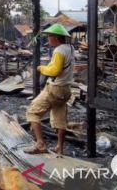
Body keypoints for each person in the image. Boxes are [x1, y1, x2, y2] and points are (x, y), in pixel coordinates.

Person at [24, 24, 74, 155]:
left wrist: (42, 68)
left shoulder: (58, 51)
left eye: (49, 36)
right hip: (66, 90)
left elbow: (55, 70)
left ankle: (40, 145)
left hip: (55, 88)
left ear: (56, 38)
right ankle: (59, 148)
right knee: (60, 119)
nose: (48, 39)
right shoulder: (70, 48)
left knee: (32, 113)